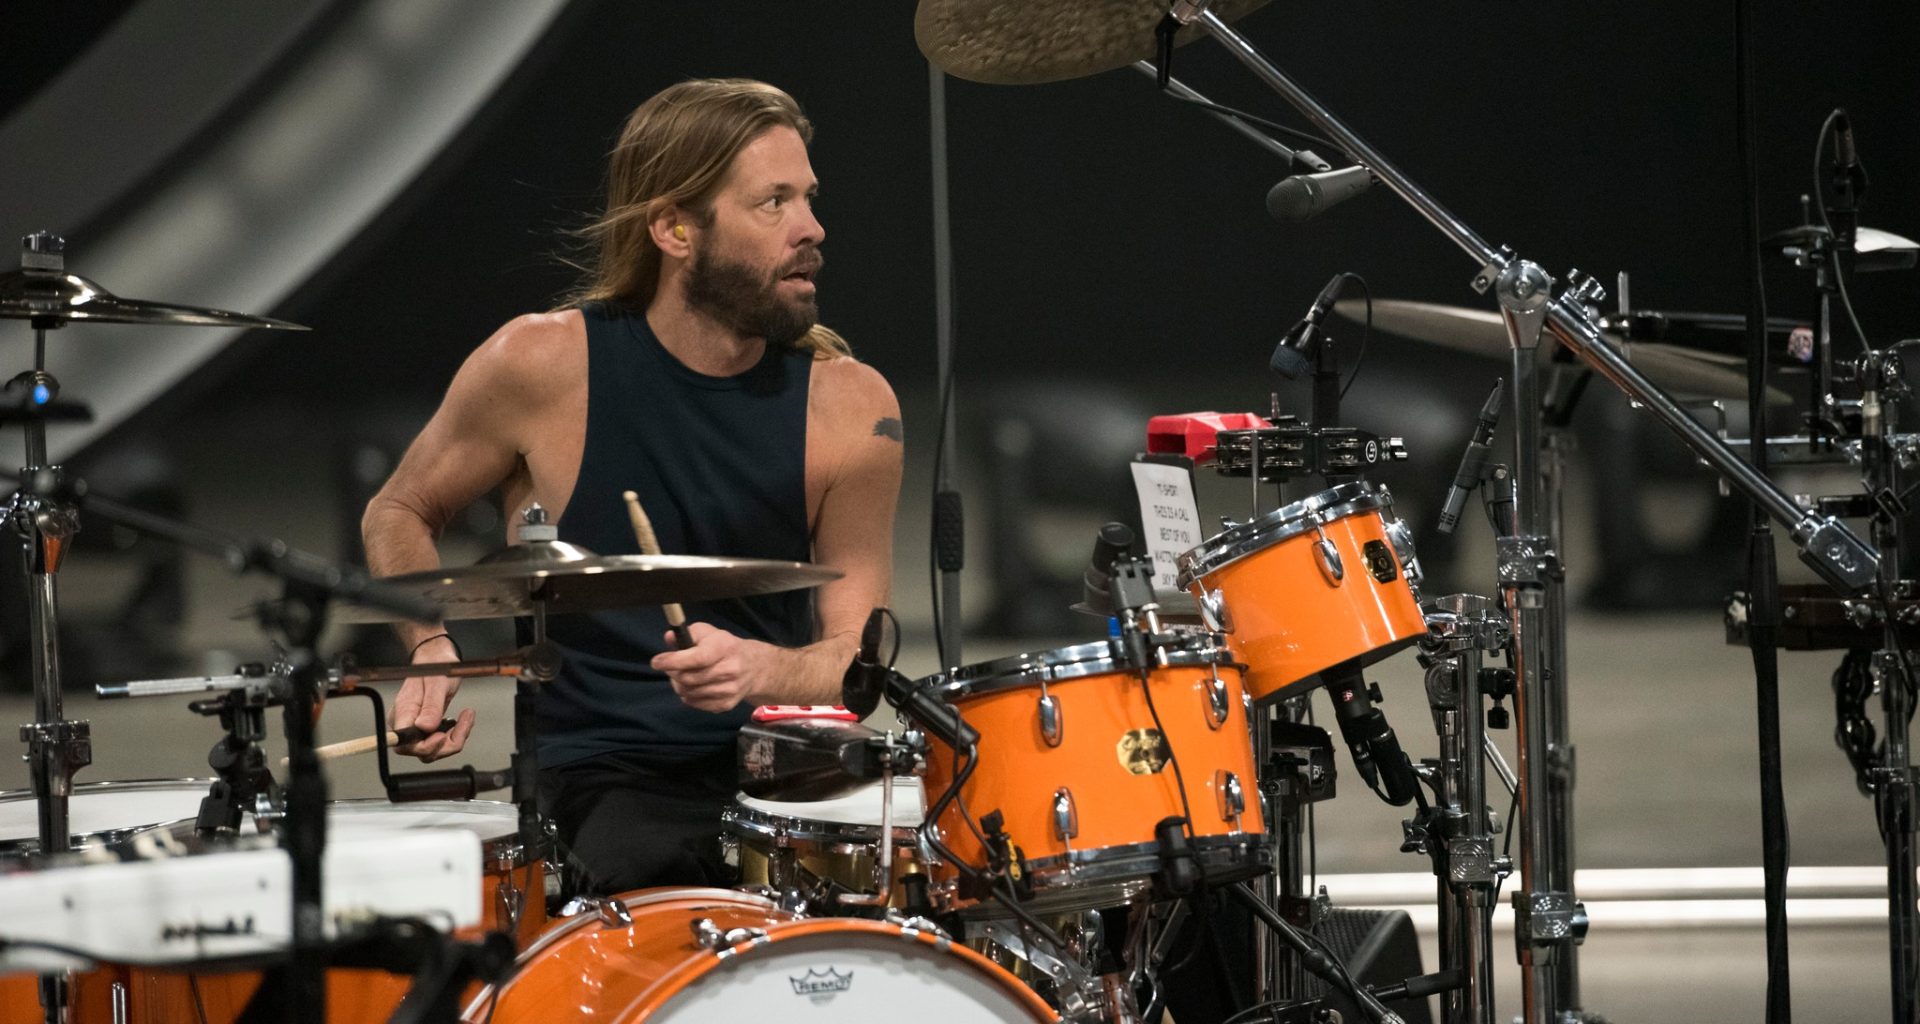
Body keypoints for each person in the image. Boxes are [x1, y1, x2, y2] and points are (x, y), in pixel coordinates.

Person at [360, 78, 902, 893]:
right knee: (647, 874)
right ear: (675, 229)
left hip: (785, 774)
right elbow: (398, 510)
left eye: (809, 198)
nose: (812, 228)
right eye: (774, 202)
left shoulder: (853, 407)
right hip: (605, 779)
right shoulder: (540, 366)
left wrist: (759, 668)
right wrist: (430, 646)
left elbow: (854, 663)